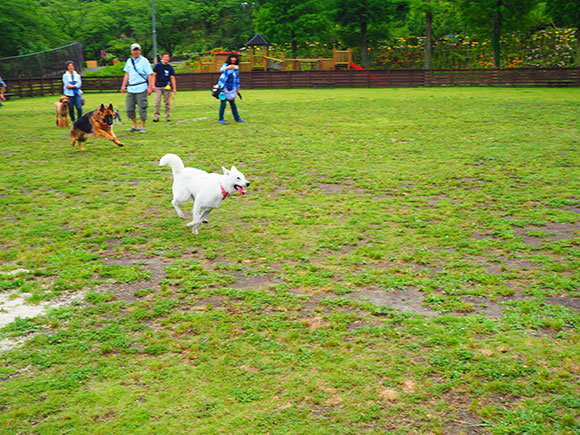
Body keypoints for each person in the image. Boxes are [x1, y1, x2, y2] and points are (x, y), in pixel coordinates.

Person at [120, 43, 154, 133]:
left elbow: (150, 74)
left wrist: (150, 87)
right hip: (131, 88)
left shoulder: (144, 61)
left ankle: (143, 126)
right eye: (134, 50)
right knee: (129, 107)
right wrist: (123, 85)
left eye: (137, 50)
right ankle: (135, 125)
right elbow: (127, 74)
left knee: (142, 107)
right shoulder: (129, 61)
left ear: (140, 51)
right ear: (131, 51)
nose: (136, 52)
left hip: (141, 87)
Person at [217, 52, 244, 124]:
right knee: (223, 103)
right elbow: (221, 69)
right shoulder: (225, 65)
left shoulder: (236, 68)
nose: (233, 59)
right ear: (229, 58)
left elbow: (237, 79)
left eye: (235, 58)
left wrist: (238, 89)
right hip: (223, 88)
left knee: (233, 104)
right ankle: (221, 119)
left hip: (232, 88)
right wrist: (228, 67)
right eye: (232, 57)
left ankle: (237, 118)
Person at [153, 52, 177, 122]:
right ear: (162, 58)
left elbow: (172, 77)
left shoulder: (170, 67)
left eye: (167, 57)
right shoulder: (158, 66)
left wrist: (174, 88)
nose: (166, 58)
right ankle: (156, 117)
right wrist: (152, 85)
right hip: (158, 86)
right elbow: (154, 75)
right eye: (165, 57)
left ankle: (167, 116)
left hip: (167, 86)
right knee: (157, 102)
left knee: (167, 102)